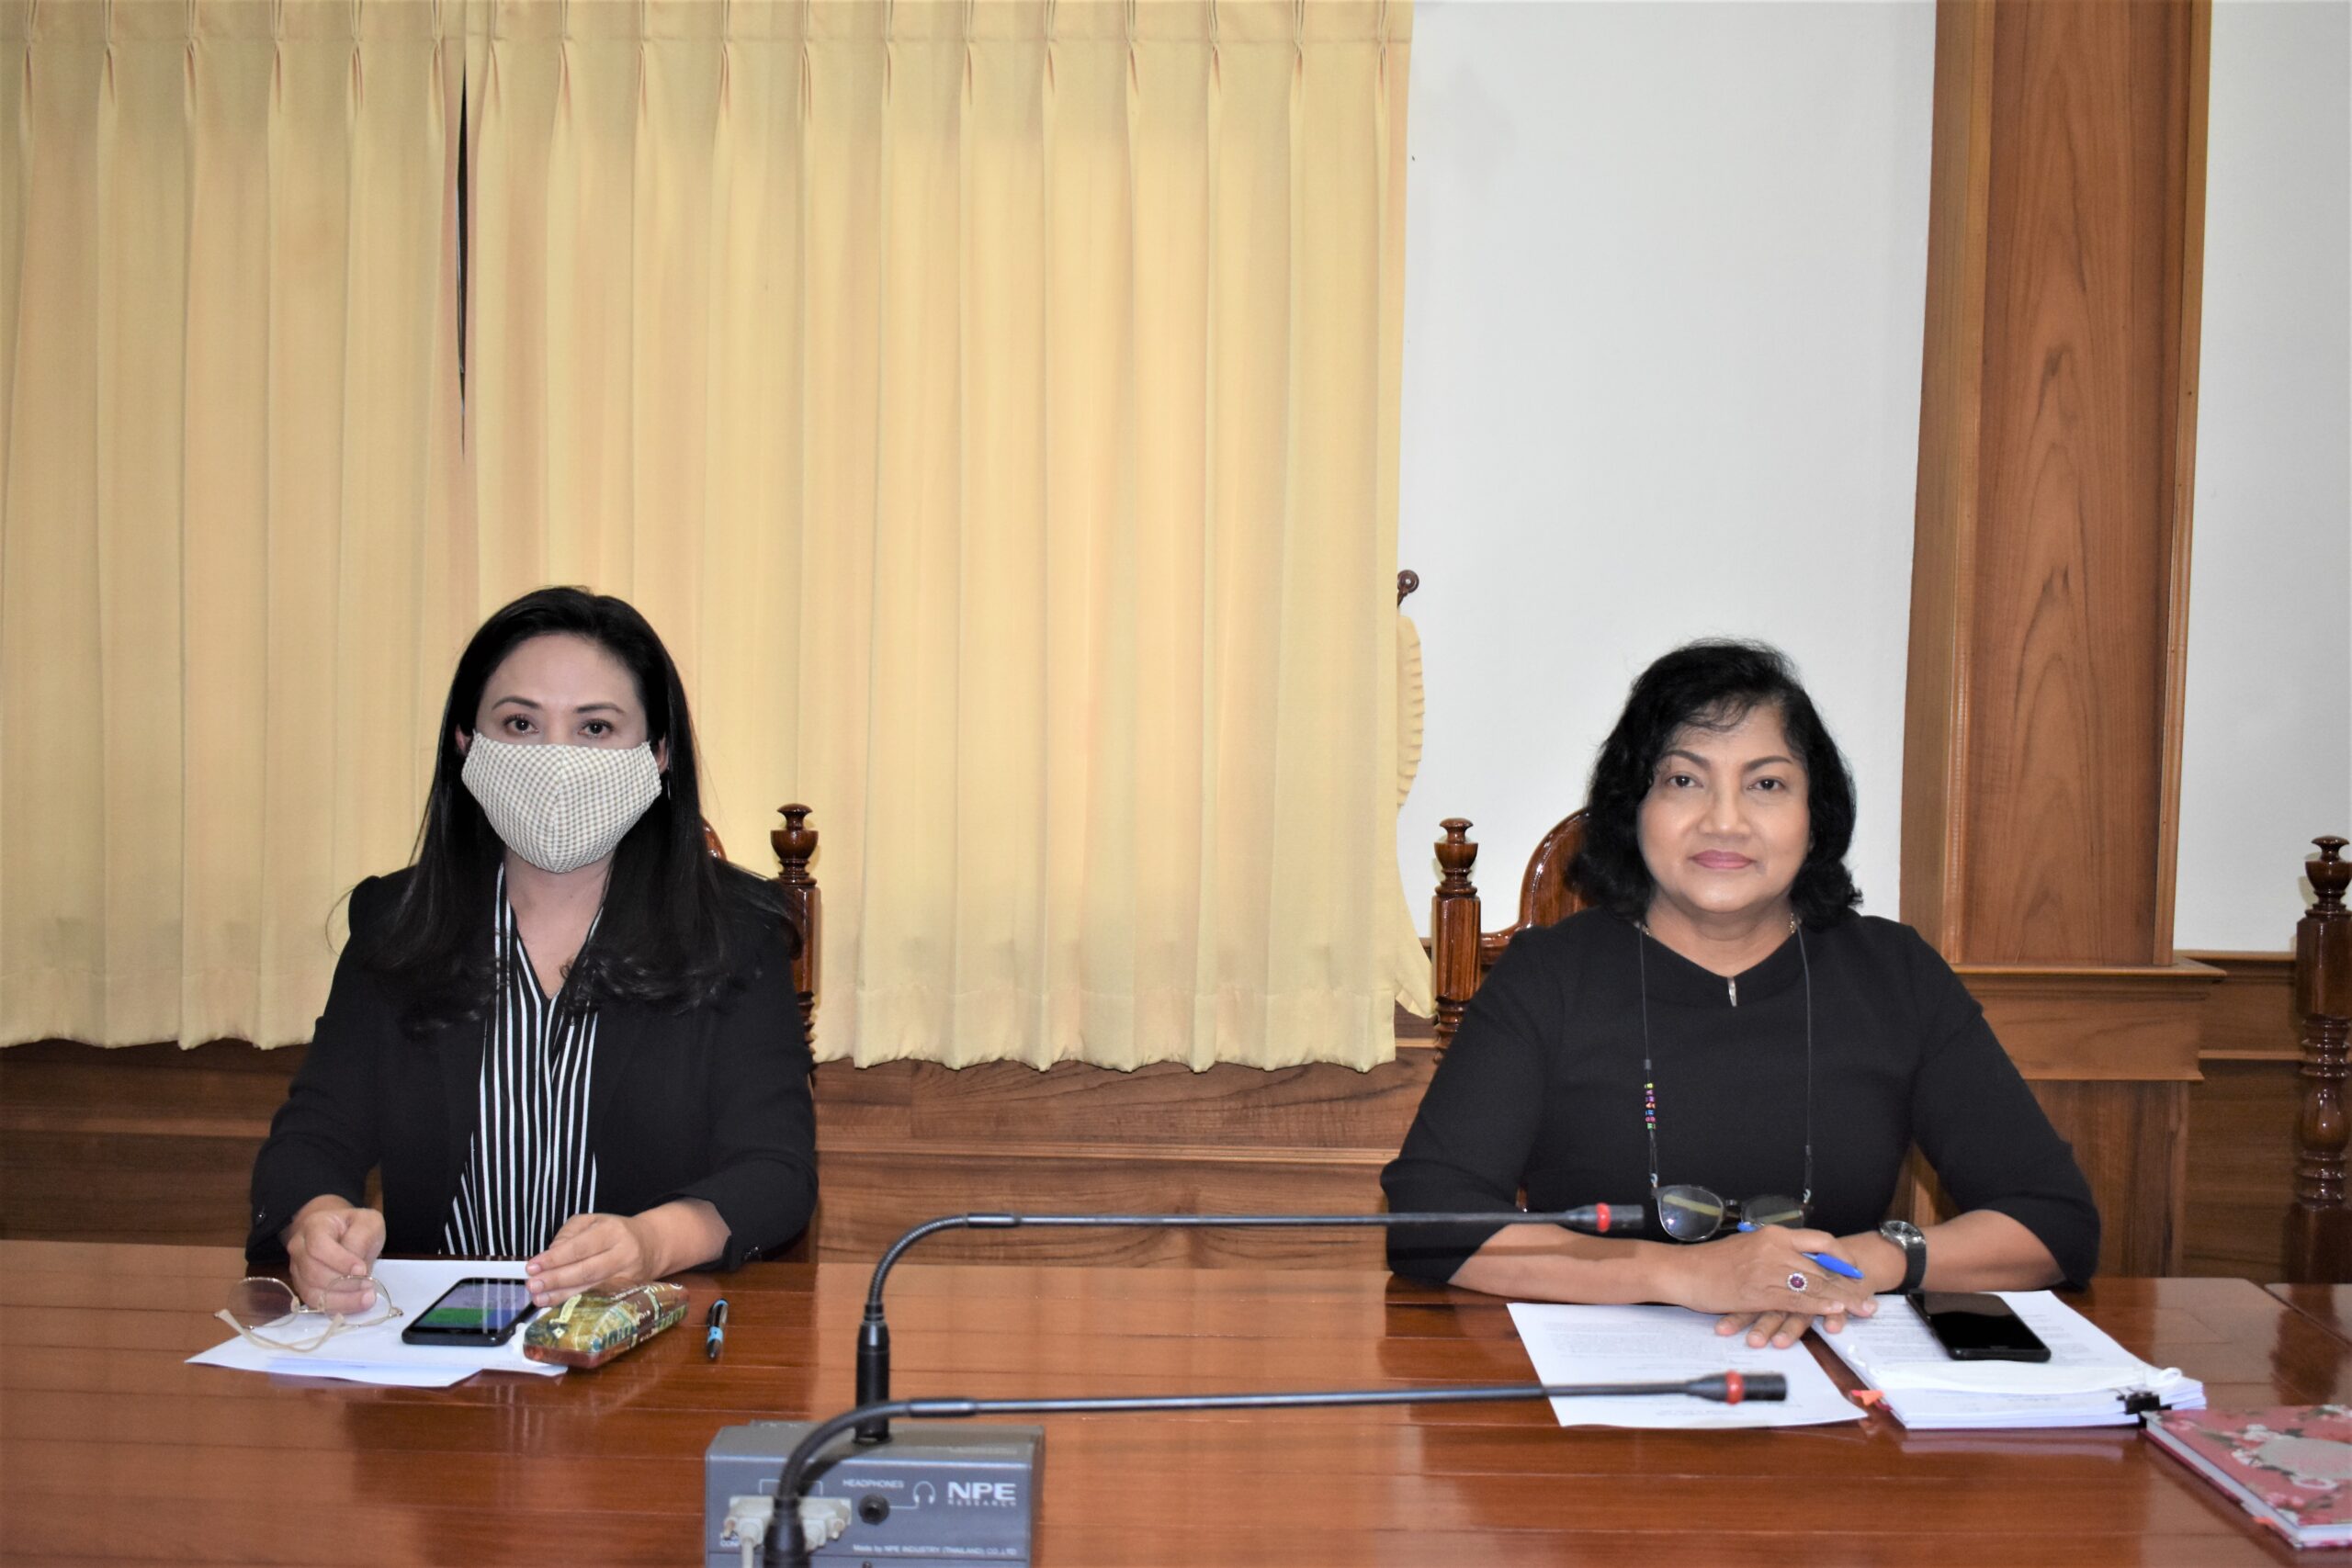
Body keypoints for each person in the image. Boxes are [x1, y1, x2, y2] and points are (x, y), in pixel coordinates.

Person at [1382, 640, 2098, 1349]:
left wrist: (1853, 1263)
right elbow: (1427, 1219)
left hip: (1836, 1368)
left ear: (1815, 813)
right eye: (1684, 780)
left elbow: (2052, 1219)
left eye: (1767, 784)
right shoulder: (1549, 975)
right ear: (1634, 807)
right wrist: (1683, 1274)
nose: (1724, 821)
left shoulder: (1895, 974)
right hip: (1600, 1387)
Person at [247, 588, 817, 1314]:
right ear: (466, 742)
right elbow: (310, 1140)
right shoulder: (396, 923)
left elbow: (777, 1170)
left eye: (595, 727)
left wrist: (651, 1241)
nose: (555, 759)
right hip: (439, 1342)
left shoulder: (735, 932)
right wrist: (319, 1222)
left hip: (644, 1338)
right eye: (520, 723)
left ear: (659, 753)